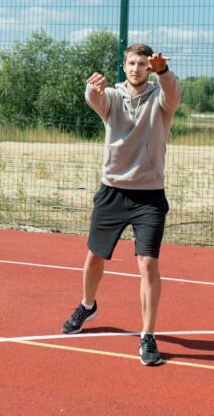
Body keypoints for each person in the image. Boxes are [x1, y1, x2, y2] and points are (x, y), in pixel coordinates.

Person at [61, 44, 181, 366]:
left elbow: (174, 92)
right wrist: (92, 87)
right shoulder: (113, 97)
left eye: (143, 64)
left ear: (149, 68)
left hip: (149, 195)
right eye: (131, 63)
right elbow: (96, 100)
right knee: (93, 258)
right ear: (124, 66)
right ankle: (88, 306)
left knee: (148, 265)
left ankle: (147, 335)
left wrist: (164, 72)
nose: (136, 68)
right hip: (112, 192)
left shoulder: (161, 99)